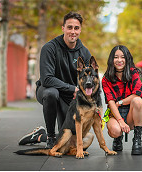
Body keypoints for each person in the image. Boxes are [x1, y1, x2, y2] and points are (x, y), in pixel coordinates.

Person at [18, 12, 91, 148]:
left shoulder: (84, 53)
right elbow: (47, 79)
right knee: (51, 93)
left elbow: (87, 79)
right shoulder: (50, 48)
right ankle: (50, 136)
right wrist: (72, 88)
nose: (73, 31)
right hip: (48, 91)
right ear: (62, 28)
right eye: (69, 27)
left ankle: (39, 135)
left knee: (76, 141)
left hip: (71, 97)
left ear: (80, 30)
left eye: (76, 28)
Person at [102, 45, 142, 155]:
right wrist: (120, 121)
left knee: (138, 101)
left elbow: (137, 94)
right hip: (115, 114)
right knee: (115, 131)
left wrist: (120, 102)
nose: (119, 60)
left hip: (131, 113)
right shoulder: (106, 78)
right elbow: (110, 102)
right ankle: (117, 139)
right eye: (116, 57)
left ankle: (137, 139)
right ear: (112, 59)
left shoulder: (133, 73)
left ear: (127, 59)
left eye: (123, 57)